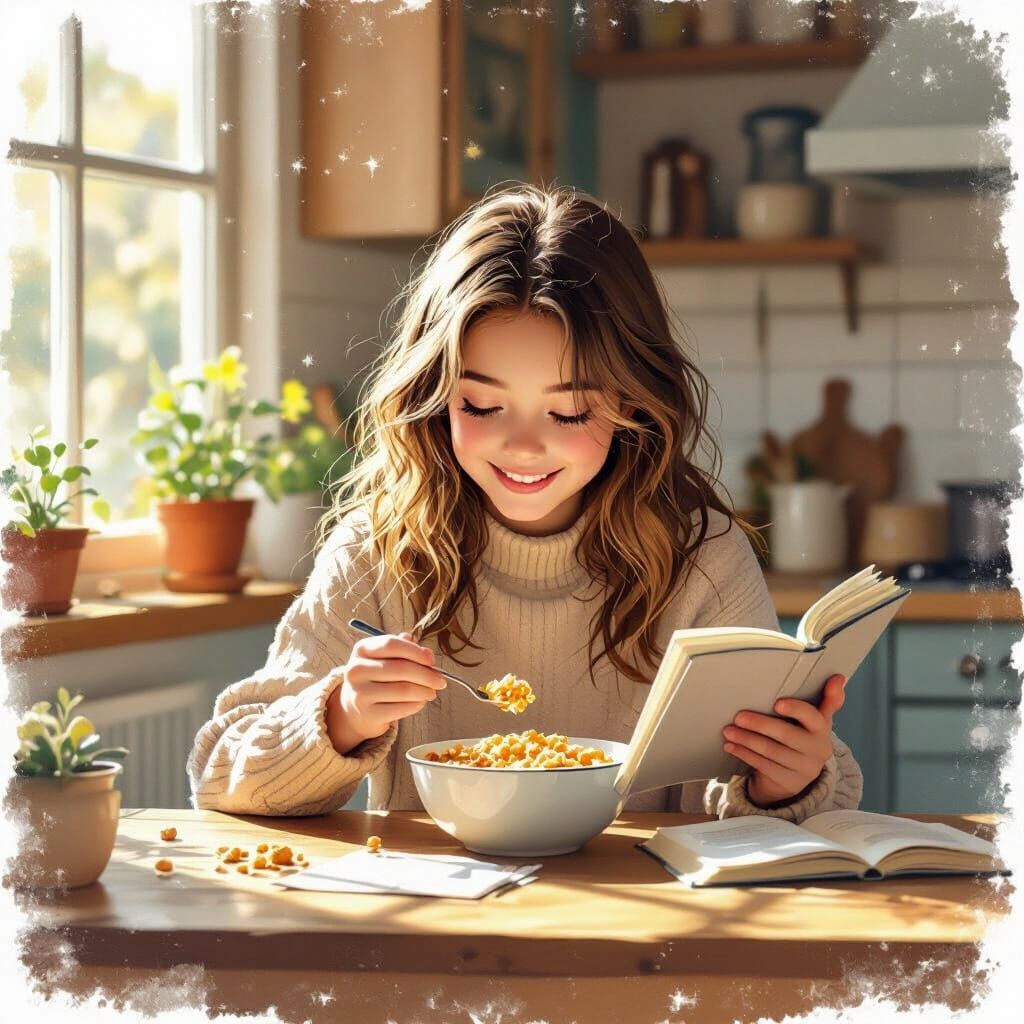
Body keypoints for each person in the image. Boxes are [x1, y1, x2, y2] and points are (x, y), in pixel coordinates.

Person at [187, 183, 862, 821]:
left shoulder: (701, 558)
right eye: (481, 404)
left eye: (568, 413)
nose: (524, 447)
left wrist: (786, 781)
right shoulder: (376, 551)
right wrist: (341, 715)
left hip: (646, 929)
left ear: (633, 403)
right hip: (437, 925)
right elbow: (219, 772)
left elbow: (797, 803)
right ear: (433, 395)